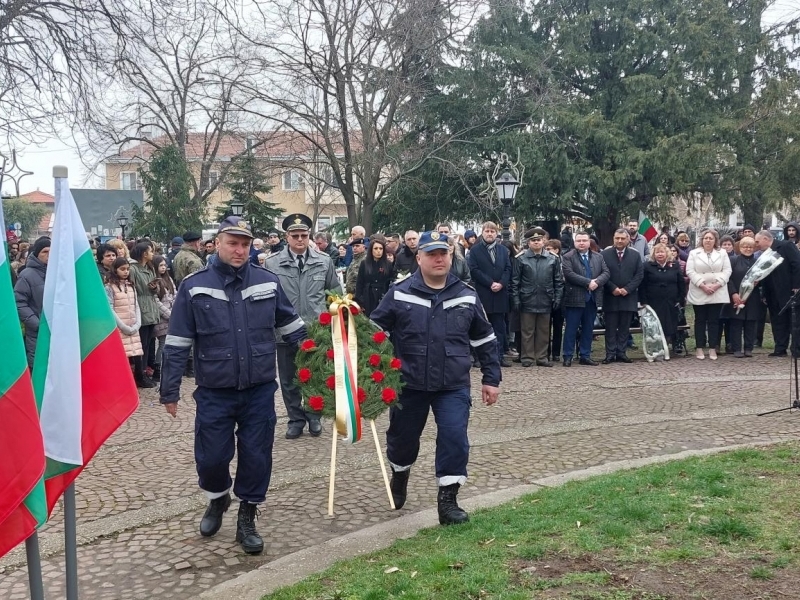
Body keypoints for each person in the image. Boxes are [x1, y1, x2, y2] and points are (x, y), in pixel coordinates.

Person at [159, 216, 307, 555]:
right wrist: (169, 390)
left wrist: (324, 364)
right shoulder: (194, 285)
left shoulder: (267, 282)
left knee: (257, 456)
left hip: (258, 390)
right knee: (211, 458)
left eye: (244, 243)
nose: (239, 250)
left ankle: (247, 516)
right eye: (232, 243)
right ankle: (217, 497)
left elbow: (292, 328)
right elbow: (179, 340)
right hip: (215, 391)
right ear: (218, 244)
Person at [370, 231, 501, 525]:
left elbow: (484, 339)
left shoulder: (466, 294)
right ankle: (400, 474)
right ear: (419, 258)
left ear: (451, 256)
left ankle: (448, 499)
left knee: (454, 437)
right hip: (408, 383)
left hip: (452, 383)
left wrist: (491, 378)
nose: (439, 258)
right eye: (431, 254)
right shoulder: (400, 291)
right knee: (402, 440)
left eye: (444, 253)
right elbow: (374, 332)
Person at [266, 213, 342, 439]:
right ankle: (296, 419)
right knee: (289, 380)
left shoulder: (324, 261)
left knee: (315, 377)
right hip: (285, 333)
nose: (300, 239)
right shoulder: (272, 263)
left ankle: (314, 417)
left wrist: (337, 321)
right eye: (295, 235)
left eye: (304, 235)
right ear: (287, 237)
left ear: (309, 236)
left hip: (315, 332)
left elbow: (334, 294)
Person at [511, 228, 563, 367]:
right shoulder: (521, 258)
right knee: (527, 331)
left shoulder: (553, 258)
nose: (536, 243)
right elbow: (515, 281)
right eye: (533, 240)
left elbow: (558, 280)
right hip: (527, 299)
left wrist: (557, 298)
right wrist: (516, 299)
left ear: (543, 241)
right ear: (528, 243)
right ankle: (527, 357)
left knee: (544, 331)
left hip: (546, 298)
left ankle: (542, 357)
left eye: (538, 240)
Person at [561, 231, 610, 366]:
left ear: (589, 242)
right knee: (571, 328)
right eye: (579, 241)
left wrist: (597, 282)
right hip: (575, 297)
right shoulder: (567, 257)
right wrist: (588, 282)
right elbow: (569, 274)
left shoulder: (598, 257)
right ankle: (567, 356)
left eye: (584, 240)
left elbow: (606, 272)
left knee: (588, 328)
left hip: (592, 298)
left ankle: (585, 355)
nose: (581, 243)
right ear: (574, 242)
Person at [467, 222, 512, 367]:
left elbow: (508, 269)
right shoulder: (475, 250)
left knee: (499, 328)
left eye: (493, 231)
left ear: (496, 233)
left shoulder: (503, 250)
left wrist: (501, 283)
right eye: (487, 231)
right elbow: (474, 270)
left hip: (500, 294)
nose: (490, 233)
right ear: (482, 232)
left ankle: (499, 356)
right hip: (483, 293)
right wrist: (490, 283)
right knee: (481, 327)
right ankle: (481, 357)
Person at [686, 229, 732, 360]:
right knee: (700, 320)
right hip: (699, 290)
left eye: (711, 238)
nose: (708, 240)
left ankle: (713, 348)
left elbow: (727, 270)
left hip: (717, 291)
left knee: (714, 320)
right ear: (702, 239)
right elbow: (690, 271)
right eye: (706, 238)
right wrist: (702, 285)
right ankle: (699, 348)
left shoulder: (722, 253)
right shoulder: (694, 253)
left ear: (715, 240)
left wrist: (717, 284)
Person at [599, 229, 644, 363]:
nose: (619, 241)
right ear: (613, 238)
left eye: (622, 238)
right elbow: (601, 273)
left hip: (628, 296)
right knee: (611, 327)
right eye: (617, 238)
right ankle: (610, 353)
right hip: (610, 295)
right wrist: (612, 287)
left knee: (625, 327)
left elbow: (639, 275)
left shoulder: (635, 255)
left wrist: (627, 289)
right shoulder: (604, 255)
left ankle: (621, 352)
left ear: (628, 239)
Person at [754, 229, 800, 356]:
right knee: (777, 321)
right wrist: (763, 293)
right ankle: (780, 348)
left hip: (789, 291)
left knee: (794, 321)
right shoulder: (764, 253)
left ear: (765, 239)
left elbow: (797, 264)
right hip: (772, 293)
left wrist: (797, 285)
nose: (756, 244)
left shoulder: (786, 246)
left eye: (757, 241)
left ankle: (797, 349)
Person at [639, 243, 686, 353]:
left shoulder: (674, 265)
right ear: (654, 254)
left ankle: (669, 345)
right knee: (655, 326)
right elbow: (642, 285)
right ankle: (656, 348)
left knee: (670, 325)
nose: (660, 254)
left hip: (671, 302)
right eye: (657, 252)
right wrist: (644, 301)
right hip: (653, 302)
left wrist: (680, 299)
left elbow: (681, 283)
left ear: (667, 253)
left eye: (662, 252)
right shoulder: (647, 266)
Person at [14, 236, 50, 369]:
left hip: (60, 332)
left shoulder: (61, 274)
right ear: (36, 254)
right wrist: (37, 324)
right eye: (45, 252)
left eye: (52, 251)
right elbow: (19, 303)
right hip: (37, 333)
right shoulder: (27, 275)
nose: (49, 255)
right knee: (39, 370)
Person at [721, 237, 759, 357]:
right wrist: (734, 293)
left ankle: (748, 348)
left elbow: (763, 278)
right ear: (740, 247)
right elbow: (729, 278)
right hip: (736, 295)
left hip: (752, 297)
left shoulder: (758, 262)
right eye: (745, 246)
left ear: (754, 248)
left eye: (750, 247)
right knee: (736, 322)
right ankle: (736, 348)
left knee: (750, 323)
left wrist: (759, 282)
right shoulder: (733, 260)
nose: (747, 249)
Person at [129, 242, 160, 387]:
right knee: (141, 344)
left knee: (147, 343)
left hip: (151, 307)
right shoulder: (133, 269)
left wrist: (154, 287)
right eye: (150, 251)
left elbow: (154, 290)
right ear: (144, 254)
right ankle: (139, 375)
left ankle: (145, 373)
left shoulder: (149, 268)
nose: (152, 254)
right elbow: (133, 289)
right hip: (141, 307)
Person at [105, 257, 143, 367]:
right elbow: (110, 308)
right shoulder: (109, 287)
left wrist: (137, 324)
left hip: (133, 326)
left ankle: (139, 377)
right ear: (115, 270)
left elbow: (136, 306)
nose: (126, 271)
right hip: (120, 327)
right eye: (122, 269)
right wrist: (123, 326)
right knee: (121, 357)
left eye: (127, 269)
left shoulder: (131, 286)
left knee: (135, 354)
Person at [355, 234, 395, 316]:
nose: (378, 251)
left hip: (382, 296)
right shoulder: (364, 263)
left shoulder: (388, 264)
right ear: (371, 250)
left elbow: (391, 282)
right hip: (368, 296)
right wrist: (360, 300)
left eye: (381, 248)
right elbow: (359, 282)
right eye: (376, 248)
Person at [152, 255, 176, 381]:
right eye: (160, 265)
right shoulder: (154, 281)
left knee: (169, 343)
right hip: (162, 318)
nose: (163, 267)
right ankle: (158, 368)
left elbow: (175, 294)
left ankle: (167, 367)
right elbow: (156, 302)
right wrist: (169, 314)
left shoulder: (168, 279)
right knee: (162, 343)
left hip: (172, 314)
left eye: (164, 265)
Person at [544, 239, 565, 362]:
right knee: (545, 327)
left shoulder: (563, 261)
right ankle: (545, 352)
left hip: (560, 298)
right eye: (546, 249)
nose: (547, 251)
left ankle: (556, 353)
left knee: (558, 327)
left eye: (549, 249)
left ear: (556, 250)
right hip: (546, 298)